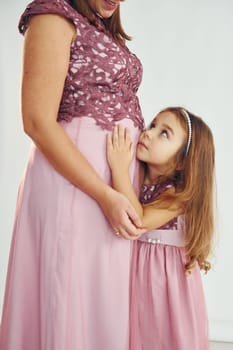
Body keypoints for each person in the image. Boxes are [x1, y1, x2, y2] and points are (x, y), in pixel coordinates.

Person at [0, 1, 146, 349]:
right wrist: (105, 194)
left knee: (100, 305)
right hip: (76, 189)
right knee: (67, 300)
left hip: (110, 190)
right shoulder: (53, 15)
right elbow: (36, 120)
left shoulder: (98, 26)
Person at [107, 106, 215, 350]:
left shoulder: (180, 195)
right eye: (152, 126)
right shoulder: (137, 179)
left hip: (164, 282)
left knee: (162, 335)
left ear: (181, 162)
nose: (148, 134)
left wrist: (119, 168)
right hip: (134, 273)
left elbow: (139, 219)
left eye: (164, 133)